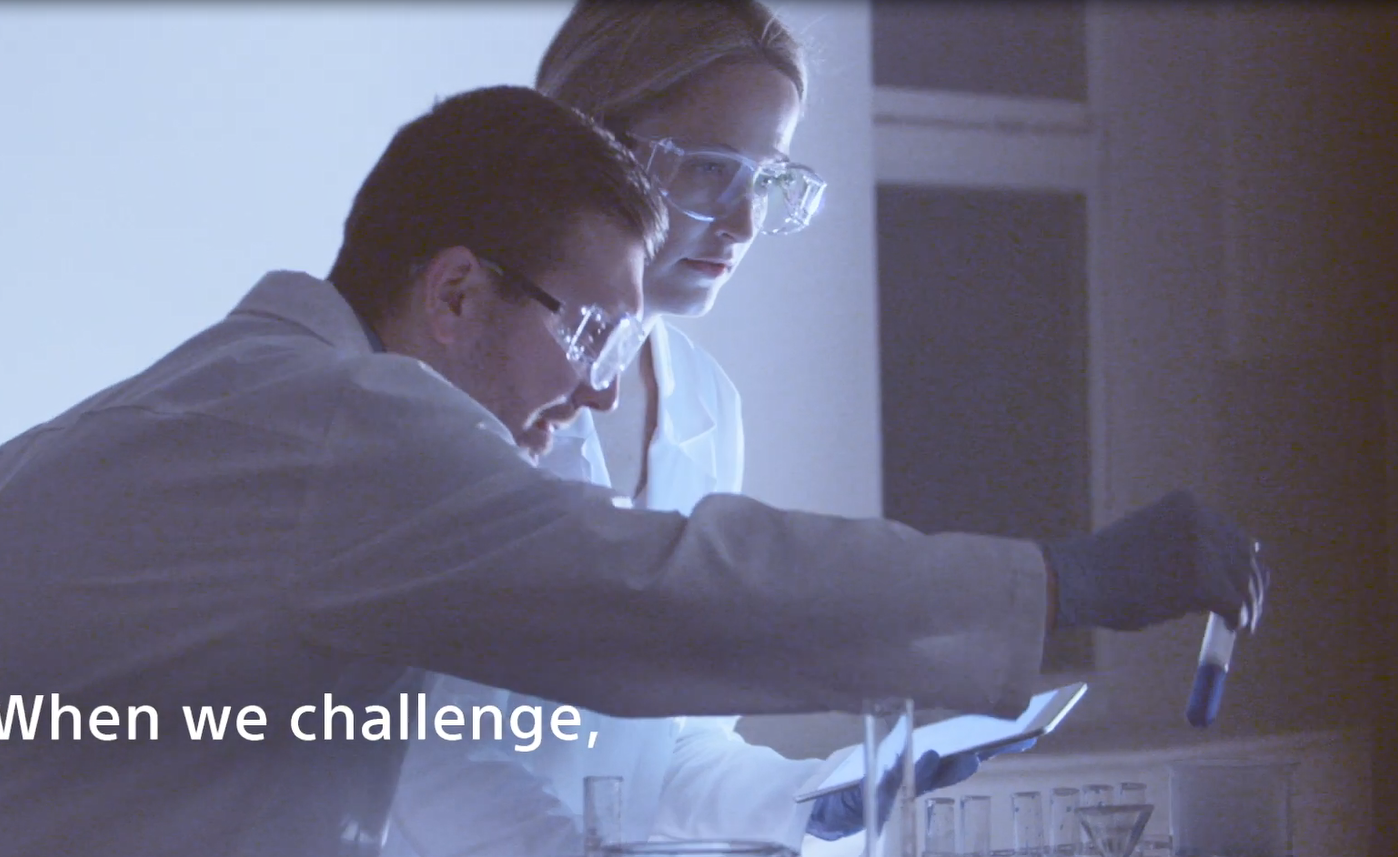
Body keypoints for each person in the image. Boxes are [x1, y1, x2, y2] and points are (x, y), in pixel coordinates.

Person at [0, 84, 1264, 857]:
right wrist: (1058, 577)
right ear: (454, 292)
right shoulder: (340, 437)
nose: (591, 395)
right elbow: (652, 598)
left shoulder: (79, 450)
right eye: (589, 330)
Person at [384, 3, 998, 853]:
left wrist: (812, 794)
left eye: (766, 179)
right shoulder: (451, 385)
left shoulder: (707, 406)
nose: (742, 224)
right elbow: (422, 746)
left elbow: (667, 745)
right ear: (584, 151)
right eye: (710, 170)